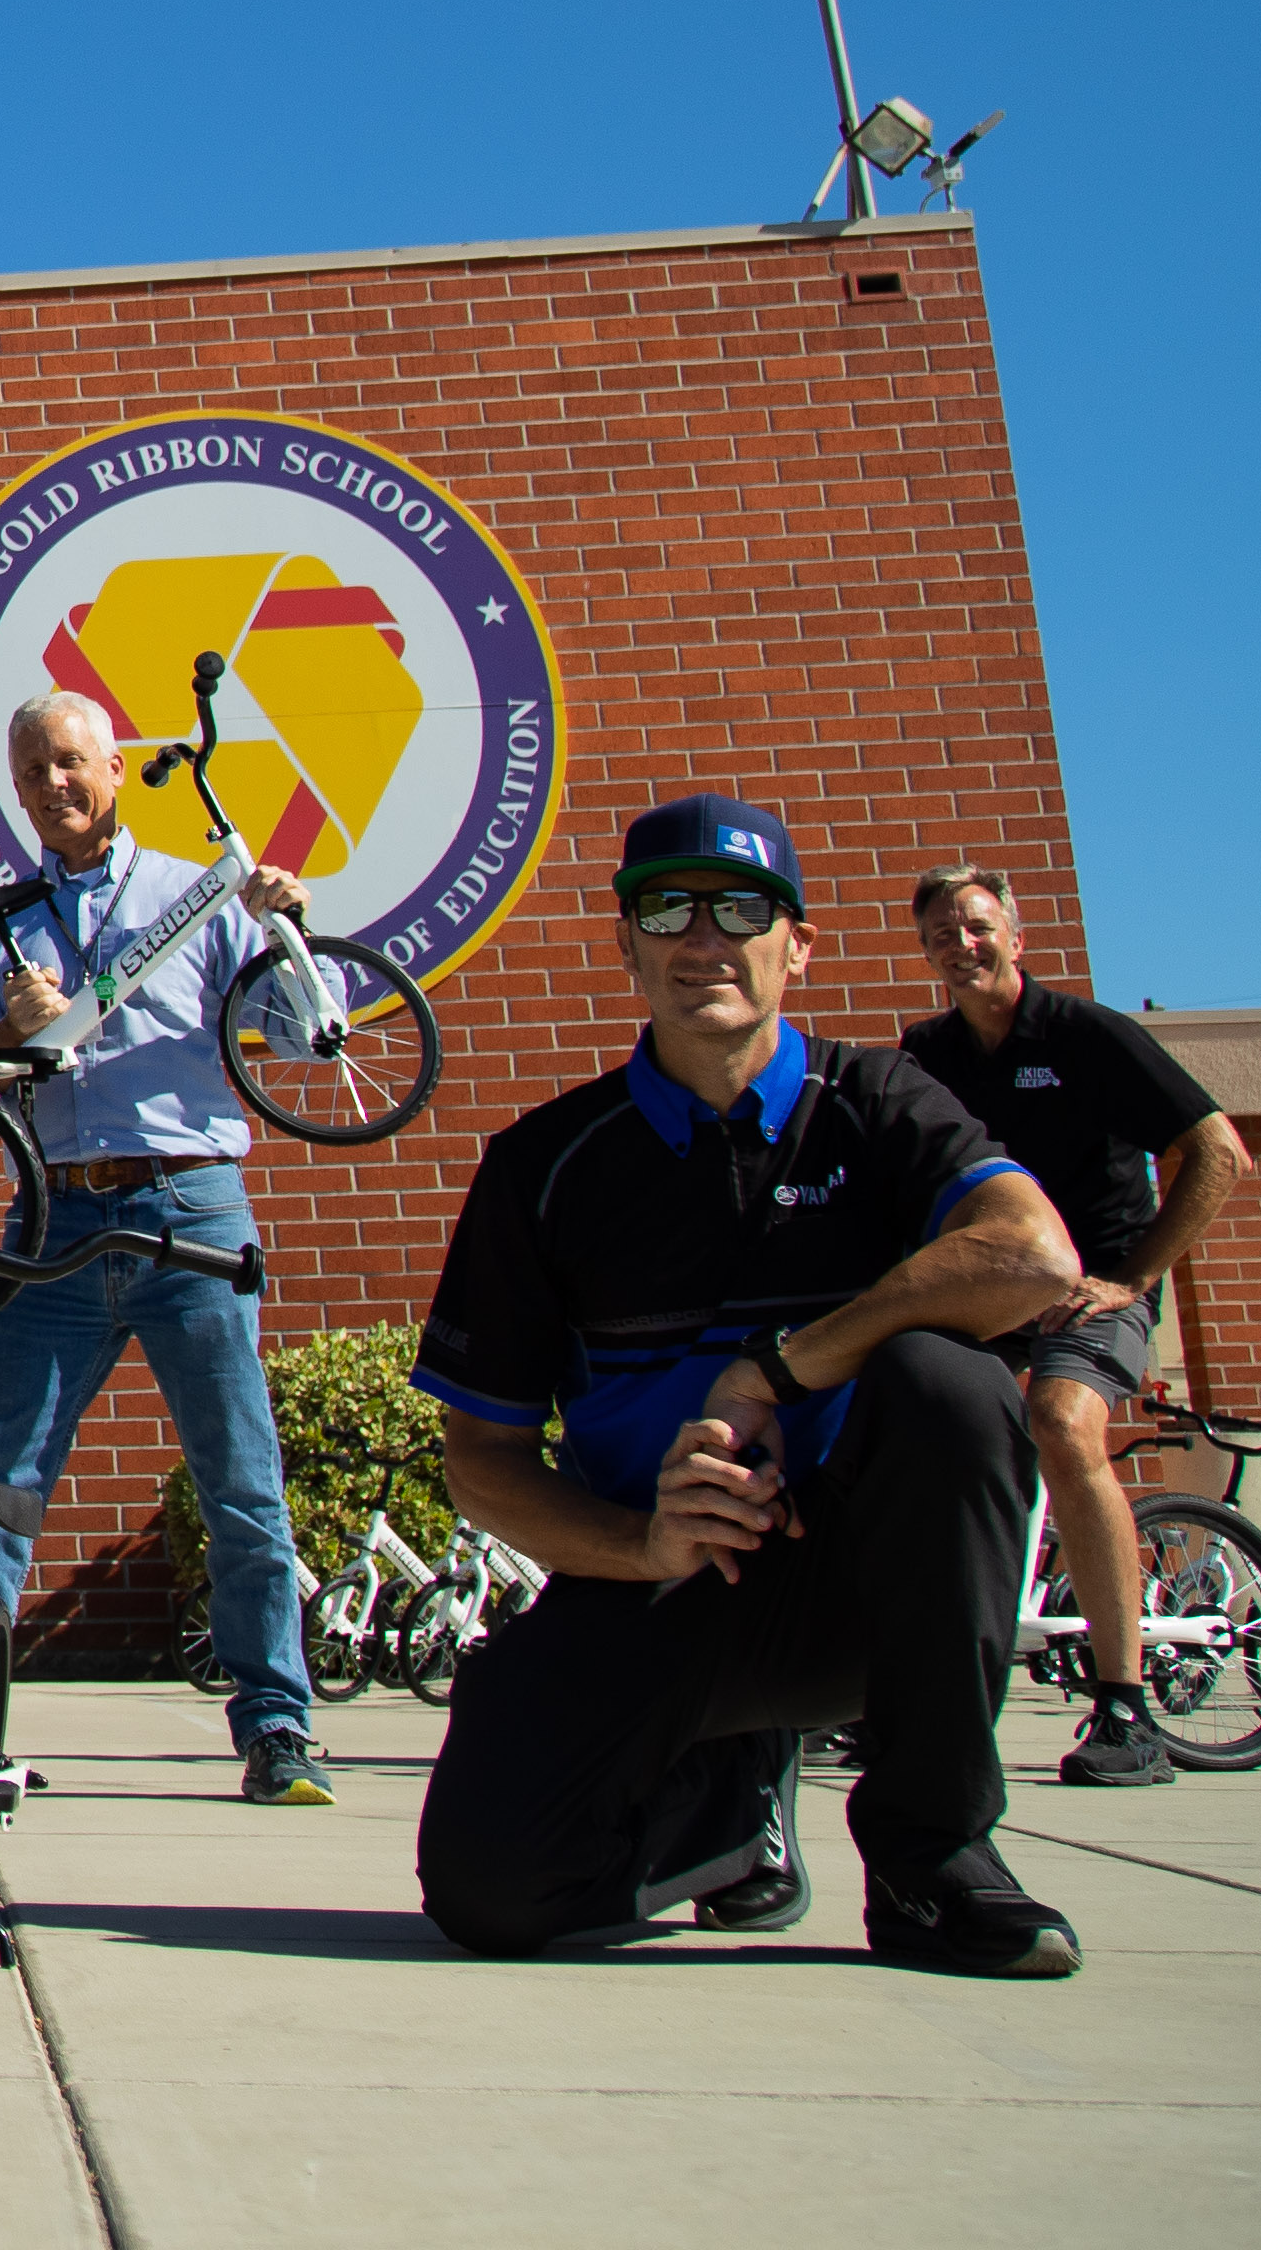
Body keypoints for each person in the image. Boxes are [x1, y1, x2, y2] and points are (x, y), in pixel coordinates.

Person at [411, 793, 1092, 1978]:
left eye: (743, 907)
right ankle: (725, 1811)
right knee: (492, 1894)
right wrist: (642, 1544)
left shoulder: (875, 1103)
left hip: (870, 1587)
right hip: (664, 1579)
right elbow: (484, 1467)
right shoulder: (543, 1167)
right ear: (627, 944)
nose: (703, 937)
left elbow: (1033, 1257)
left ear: (797, 945)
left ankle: (932, 1857)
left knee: (951, 1383)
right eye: (666, 907)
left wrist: (780, 1366)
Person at [0, 690, 332, 1805]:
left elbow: (309, 1041)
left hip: (188, 1209)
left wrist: (289, 930)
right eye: (31, 775)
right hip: (55, 1218)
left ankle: (277, 1729)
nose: (53, 787)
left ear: (115, 767)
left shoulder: (192, 895)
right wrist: (10, 1028)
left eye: (69, 762)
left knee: (240, 1481)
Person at [894, 861, 1250, 1792]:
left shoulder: (1088, 1036)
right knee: (899, 1412)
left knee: (1060, 1419)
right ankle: (889, 1689)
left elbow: (1217, 1151)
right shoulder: (927, 1055)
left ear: (1015, 933)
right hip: (995, 1294)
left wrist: (1131, 1278)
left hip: (1097, 1293)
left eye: (976, 926)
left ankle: (1123, 1707)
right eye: (941, 935)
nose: (960, 946)